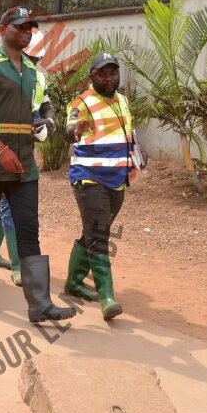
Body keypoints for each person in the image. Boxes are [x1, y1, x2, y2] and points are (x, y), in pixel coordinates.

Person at [0, 6, 74, 323]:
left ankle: (39, 303)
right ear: (2, 29)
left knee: (28, 229)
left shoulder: (32, 71)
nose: (27, 31)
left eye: (31, 27)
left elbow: (41, 108)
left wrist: (45, 124)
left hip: (24, 164)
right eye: (20, 26)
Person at [63, 52, 145, 320]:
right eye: (102, 73)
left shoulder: (122, 101)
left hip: (118, 179)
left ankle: (74, 283)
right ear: (92, 77)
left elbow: (126, 133)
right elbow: (71, 126)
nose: (108, 78)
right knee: (99, 234)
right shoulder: (82, 102)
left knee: (94, 230)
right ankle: (107, 297)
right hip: (90, 178)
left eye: (112, 73)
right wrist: (73, 130)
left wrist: (133, 161)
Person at [0, 27, 50, 287]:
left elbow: (45, 103)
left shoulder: (38, 78)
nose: (31, 64)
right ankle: (19, 265)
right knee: (7, 205)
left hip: (22, 148)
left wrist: (48, 120)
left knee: (5, 201)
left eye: (35, 60)